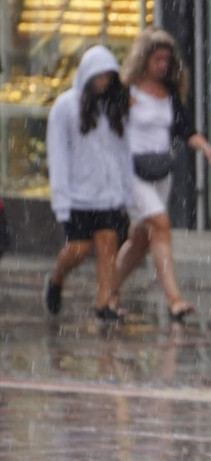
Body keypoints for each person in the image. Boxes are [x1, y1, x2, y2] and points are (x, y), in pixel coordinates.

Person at [111, 27, 211, 320]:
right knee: (161, 223)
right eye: (157, 59)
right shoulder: (127, 91)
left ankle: (107, 292)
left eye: (166, 60)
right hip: (133, 172)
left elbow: (185, 130)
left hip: (161, 172)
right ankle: (175, 300)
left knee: (141, 240)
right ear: (143, 59)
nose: (162, 65)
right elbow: (109, 130)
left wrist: (205, 148)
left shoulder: (169, 93)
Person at [43, 45, 132, 319]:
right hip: (78, 194)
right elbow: (57, 154)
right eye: (99, 76)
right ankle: (57, 279)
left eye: (108, 76)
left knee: (108, 245)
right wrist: (61, 198)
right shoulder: (65, 107)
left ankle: (104, 302)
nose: (104, 82)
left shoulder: (115, 107)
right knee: (79, 249)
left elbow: (123, 152)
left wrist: (127, 191)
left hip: (109, 194)